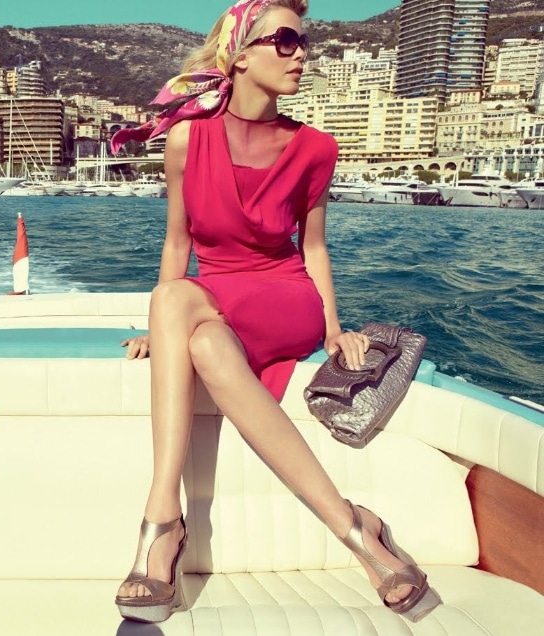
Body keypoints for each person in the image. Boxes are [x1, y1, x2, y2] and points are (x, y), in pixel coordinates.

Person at [110, 0, 439, 625]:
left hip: (285, 297)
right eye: (284, 40)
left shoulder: (315, 148)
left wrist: (334, 328)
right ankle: (356, 530)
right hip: (216, 296)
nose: (300, 54)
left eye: (302, 42)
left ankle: (161, 525)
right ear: (237, 55)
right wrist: (162, 331)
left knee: (179, 308)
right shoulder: (187, 139)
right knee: (190, 327)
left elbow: (313, 247)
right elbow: (177, 242)